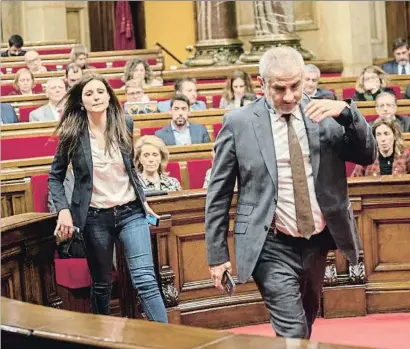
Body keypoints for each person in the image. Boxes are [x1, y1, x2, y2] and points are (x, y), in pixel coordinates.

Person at [205, 47, 376, 339]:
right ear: (261, 84)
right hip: (269, 241)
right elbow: (219, 192)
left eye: (295, 86)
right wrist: (216, 255)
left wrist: (348, 115)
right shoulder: (239, 123)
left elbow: (367, 155)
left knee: (305, 321)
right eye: (279, 88)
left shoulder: (327, 114)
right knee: (293, 329)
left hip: (316, 240)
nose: (289, 96)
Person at [48, 73, 168, 322]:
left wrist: (143, 200)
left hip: (130, 212)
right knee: (102, 283)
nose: (96, 97)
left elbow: (130, 168)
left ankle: (167, 339)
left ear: (109, 95)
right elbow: (55, 178)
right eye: (89, 94)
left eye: (100, 92)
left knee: (145, 278)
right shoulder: (72, 132)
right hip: (94, 217)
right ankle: (101, 338)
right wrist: (63, 210)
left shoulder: (124, 122)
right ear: (81, 101)